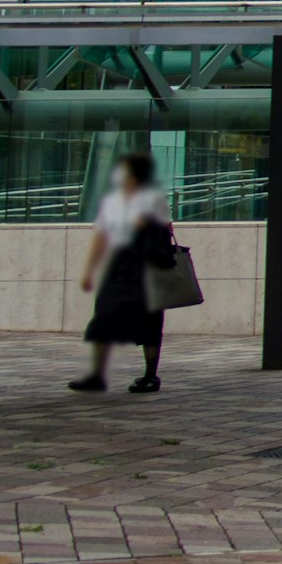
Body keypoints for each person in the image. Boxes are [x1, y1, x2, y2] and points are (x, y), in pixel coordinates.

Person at [73, 151, 174, 394]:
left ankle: (151, 376)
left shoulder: (152, 201)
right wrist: (89, 271)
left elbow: (165, 231)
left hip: (146, 268)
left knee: (149, 324)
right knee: (103, 319)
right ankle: (96, 375)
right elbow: (102, 237)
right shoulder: (113, 201)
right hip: (119, 267)